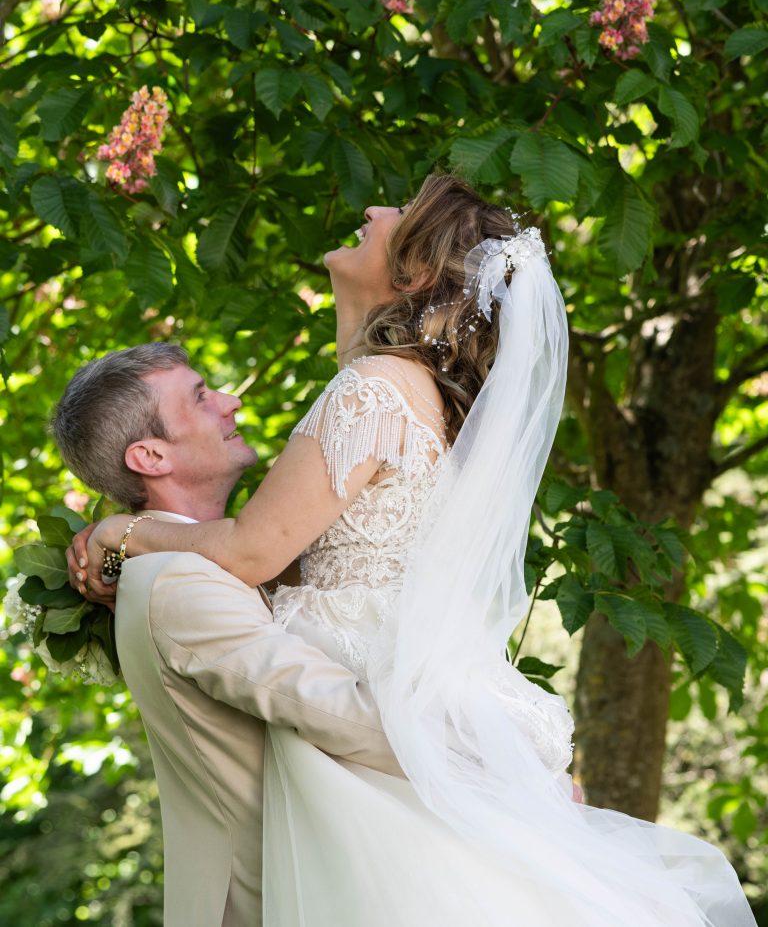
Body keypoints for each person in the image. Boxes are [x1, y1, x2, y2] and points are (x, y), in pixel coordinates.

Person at [73, 175, 756, 925]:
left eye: (396, 216)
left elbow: (251, 551)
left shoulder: (371, 388)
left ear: (416, 273)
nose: (372, 209)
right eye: (202, 396)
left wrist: (120, 534)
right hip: (389, 704)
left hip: (380, 711)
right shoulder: (408, 390)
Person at [51, 343, 402, 927]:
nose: (231, 401)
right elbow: (344, 714)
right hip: (283, 900)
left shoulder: (195, 566)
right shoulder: (179, 583)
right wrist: (505, 761)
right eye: (200, 396)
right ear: (151, 455)